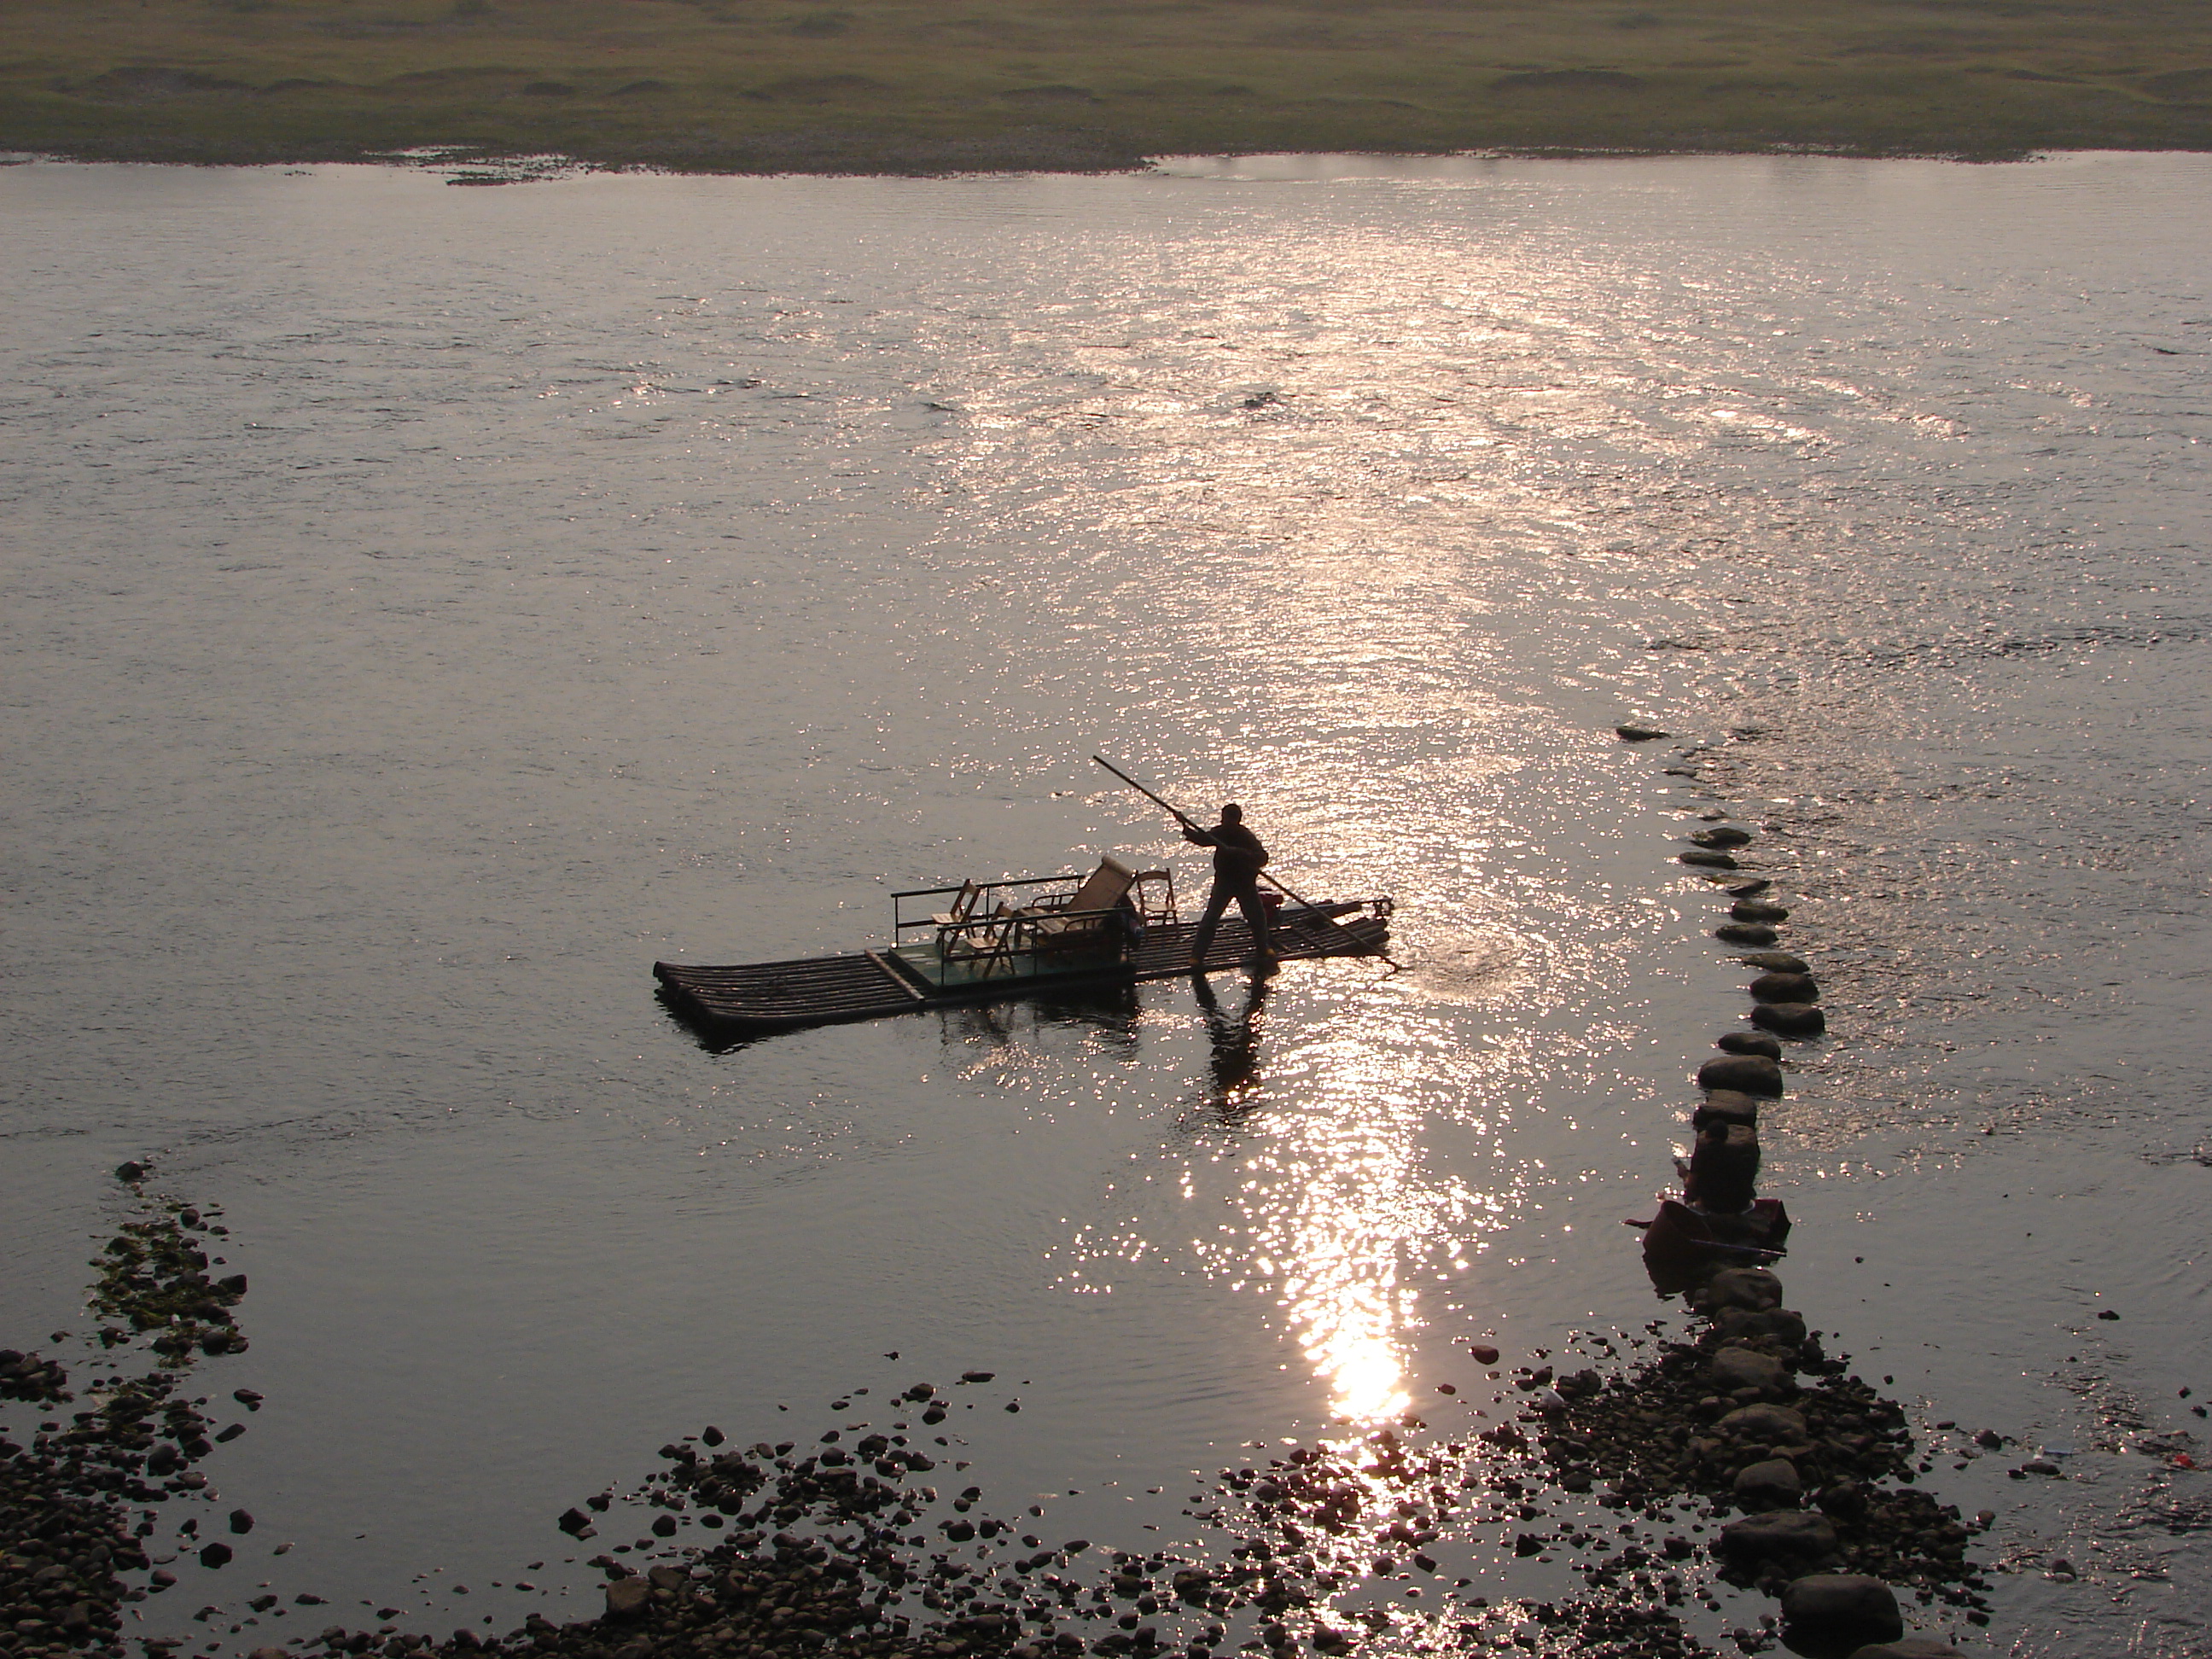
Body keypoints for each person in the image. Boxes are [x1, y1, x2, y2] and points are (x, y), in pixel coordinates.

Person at [1185, 803, 1276, 965]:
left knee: (1257, 917)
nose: (1223, 821)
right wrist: (1185, 825)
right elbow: (1203, 839)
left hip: (1245, 883)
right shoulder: (1220, 832)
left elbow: (1262, 857)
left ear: (1235, 819)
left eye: (1226, 818)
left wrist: (1239, 853)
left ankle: (1263, 948)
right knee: (1211, 918)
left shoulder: (1246, 836)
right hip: (1224, 882)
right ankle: (1197, 956)